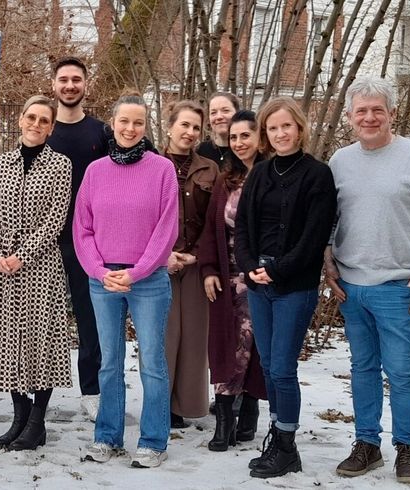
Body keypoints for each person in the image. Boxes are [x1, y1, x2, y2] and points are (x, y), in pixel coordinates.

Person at [326, 76, 410, 484]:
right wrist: (328, 263)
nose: (368, 117)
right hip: (351, 286)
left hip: (400, 288)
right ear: (349, 117)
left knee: (400, 372)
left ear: (392, 113)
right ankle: (367, 444)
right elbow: (329, 221)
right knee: (363, 368)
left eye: (376, 109)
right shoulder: (339, 161)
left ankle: (408, 449)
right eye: (360, 110)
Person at [233, 96, 336, 478]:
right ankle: (277, 434)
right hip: (259, 285)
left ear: (300, 129)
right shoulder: (260, 174)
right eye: (272, 128)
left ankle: (287, 444)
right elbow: (243, 227)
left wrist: (278, 270)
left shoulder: (318, 175)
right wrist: (250, 268)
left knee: (282, 367)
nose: (280, 134)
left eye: (286, 127)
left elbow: (314, 237)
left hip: (295, 286)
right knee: (268, 364)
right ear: (265, 134)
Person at [75, 92, 179, 468]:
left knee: (152, 361)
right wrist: (102, 272)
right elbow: (82, 228)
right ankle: (107, 437)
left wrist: (136, 272)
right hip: (103, 280)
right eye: (124, 121)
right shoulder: (95, 171)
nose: (130, 128)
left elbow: (166, 229)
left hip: (148, 280)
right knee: (108, 362)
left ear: (145, 126)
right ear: (113, 124)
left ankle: (153, 440)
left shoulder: (162, 169)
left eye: (138, 122)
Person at [0, 95, 73, 451]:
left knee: (40, 343)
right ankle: (18, 419)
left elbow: (55, 220)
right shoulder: (1, 163)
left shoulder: (60, 165)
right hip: (3, 270)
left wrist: (23, 255)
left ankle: (37, 423)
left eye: (43, 120)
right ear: (20, 120)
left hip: (40, 268)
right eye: (30, 117)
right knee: (9, 343)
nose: (35, 124)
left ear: (51, 127)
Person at [198, 110, 267, 452]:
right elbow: (211, 231)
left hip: (264, 277)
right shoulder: (227, 181)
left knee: (254, 344)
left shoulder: (272, 176)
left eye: (246, 135)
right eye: (235, 136)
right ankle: (224, 417)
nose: (240, 142)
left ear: (260, 136)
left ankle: (249, 410)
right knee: (231, 345)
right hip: (228, 276)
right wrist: (209, 269)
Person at [44, 57, 109, 422]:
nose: (70, 86)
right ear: (53, 84)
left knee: (89, 318)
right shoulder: (44, 131)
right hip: (46, 241)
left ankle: (92, 390)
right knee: (44, 318)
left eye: (76, 80)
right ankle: (39, 394)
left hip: (89, 241)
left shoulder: (102, 133)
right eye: (64, 79)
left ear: (86, 84)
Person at [161, 100, 218, 429]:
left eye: (196, 127)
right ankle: (160, 403)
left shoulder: (209, 169)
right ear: (170, 126)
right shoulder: (152, 163)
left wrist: (197, 253)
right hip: (158, 262)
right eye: (184, 125)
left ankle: (185, 405)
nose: (190, 132)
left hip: (196, 262)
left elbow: (214, 219)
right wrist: (163, 254)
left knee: (195, 335)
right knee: (164, 336)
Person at [197, 93, 241, 168]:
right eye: (213, 113)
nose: (219, 117)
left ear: (237, 114)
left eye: (225, 110)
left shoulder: (245, 150)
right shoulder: (200, 152)